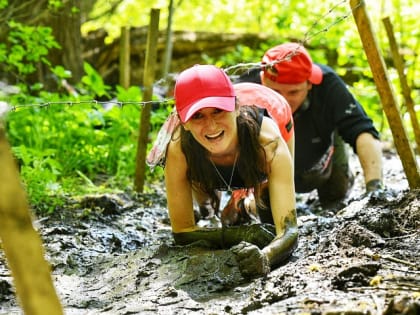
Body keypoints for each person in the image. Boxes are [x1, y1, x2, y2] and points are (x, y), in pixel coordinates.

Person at [163, 64, 298, 277]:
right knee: (206, 209)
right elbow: (181, 232)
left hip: (274, 113)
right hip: (202, 157)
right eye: (198, 116)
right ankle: (230, 204)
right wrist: (240, 234)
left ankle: (245, 203)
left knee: (269, 215)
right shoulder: (179, 148)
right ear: (184, 123)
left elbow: (289, 231)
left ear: (235, 107)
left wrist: (264, 257)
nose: (212, 125)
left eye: (218, 111)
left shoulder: (268, 143)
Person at [237, 42, 383, 209]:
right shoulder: (245, 90)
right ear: (263, 81)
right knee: (255, 216)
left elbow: (362, 130)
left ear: (309, 83)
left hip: (318, 160)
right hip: (264, 173)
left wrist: (374, 188)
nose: (283, 101)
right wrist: (240, 195)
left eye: (293, 92)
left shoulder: (328, 85)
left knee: (336, 196)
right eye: (276, 93)